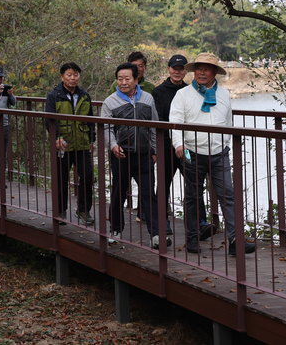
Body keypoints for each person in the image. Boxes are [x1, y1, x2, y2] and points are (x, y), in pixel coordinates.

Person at [169, 52, 255, 255]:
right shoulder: (183, 95)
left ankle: (236, 241)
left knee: (228, 195)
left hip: (219, 152)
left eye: (206, 69)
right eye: (198, 68)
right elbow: (175, 121)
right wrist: (179, 144)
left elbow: (227, 122)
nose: (201, 72)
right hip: (192, 151)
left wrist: (225, 143)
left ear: (214, 72)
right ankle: (192, 239)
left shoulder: (224, 94)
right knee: (193, 196)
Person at [102, 63, 169, 249]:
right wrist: (113, 146)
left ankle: (156, 234)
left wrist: (155, 150)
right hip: (121, 155)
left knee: (148, 194)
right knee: (118, 193)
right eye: (120, 79)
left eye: (127, 79)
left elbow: (154, 125)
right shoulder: (110, 101)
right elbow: (106, 128)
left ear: (136, 79)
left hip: (144, 154)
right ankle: (115, 229)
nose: (123, 82)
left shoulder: (147, 99)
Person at [152, 55, 216, 238]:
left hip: (187, 147)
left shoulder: (191, 91)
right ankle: (162, 221)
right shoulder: (159, 92)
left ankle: (200, 222)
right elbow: (158, 120)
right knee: (164, 182)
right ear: (169, 69)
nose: (177, 71)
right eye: (174, 68)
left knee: (194, 182)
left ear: (185, 71)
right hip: (166, 146)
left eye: (181, 68)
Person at [45, 62, 95, 225]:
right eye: (69, 75)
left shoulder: (84, 95)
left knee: (87, 176)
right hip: (63, 143)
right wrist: (56, 137)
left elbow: (90, 119)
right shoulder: (54, 95)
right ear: (62, 77)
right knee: (61, 177)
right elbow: (49, 119)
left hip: (81, 142)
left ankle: (83, 210)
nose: (73, 78)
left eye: (75, 75)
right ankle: (60, 211)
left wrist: (91, 140)